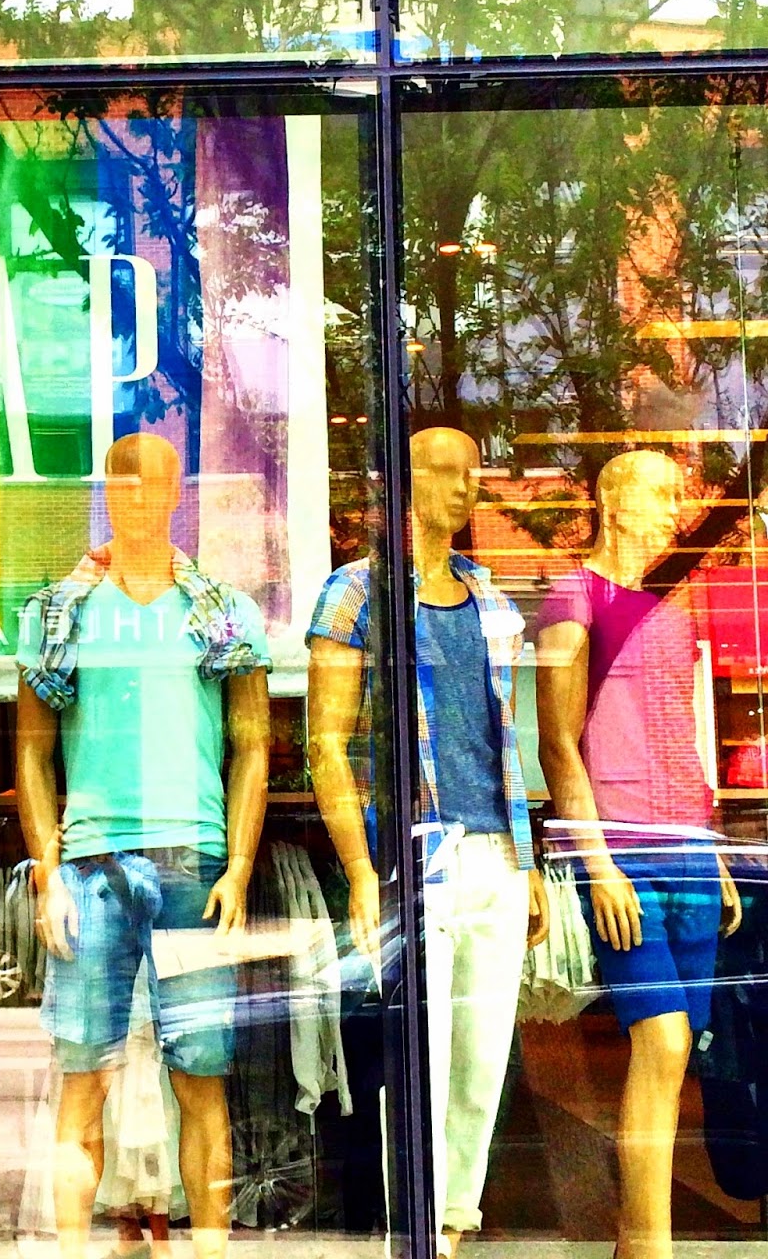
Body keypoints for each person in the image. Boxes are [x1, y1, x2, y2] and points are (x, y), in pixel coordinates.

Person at [16, 432, 271, 1259]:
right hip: (91, 867)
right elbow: (30, 752)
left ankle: (211, 1252)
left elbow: (253, 744)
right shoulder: (59, 612)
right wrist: (47, 871)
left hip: (194, 860)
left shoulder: (221, 612)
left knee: (201, 1078)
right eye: (119, 485)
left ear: (174, 496)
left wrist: (239, 866)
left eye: (151, 484)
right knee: (82, 1078)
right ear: (105, 496)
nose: (135, 498)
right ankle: (70, 1252)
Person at [306, 426, 548, 1256]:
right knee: (420, 1055)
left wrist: (529, 858)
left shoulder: (489, 598)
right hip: (417, 848)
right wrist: (360, 870)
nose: (465, 486)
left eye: (472, 472)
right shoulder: (357, 593)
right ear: (402, 485)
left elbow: (505, 740)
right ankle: (409, 1228)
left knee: (482, 1054)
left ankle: (451, 1226)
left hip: (495, 849)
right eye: (445, 471)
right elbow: (326, 742)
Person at [537, 448, 741, 1259]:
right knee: (661, 1038)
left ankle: (636, 1240)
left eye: (676, 498)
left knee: (678, 1049)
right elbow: (558, 742)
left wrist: (714, 850)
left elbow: (684, 731)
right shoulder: (574, 596)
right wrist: (597, 864)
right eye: (659, 496)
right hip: (622, 847)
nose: (672, 511)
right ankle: (649, 1247)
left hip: (688, 845)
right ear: (612, 501)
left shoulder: (671, 604)